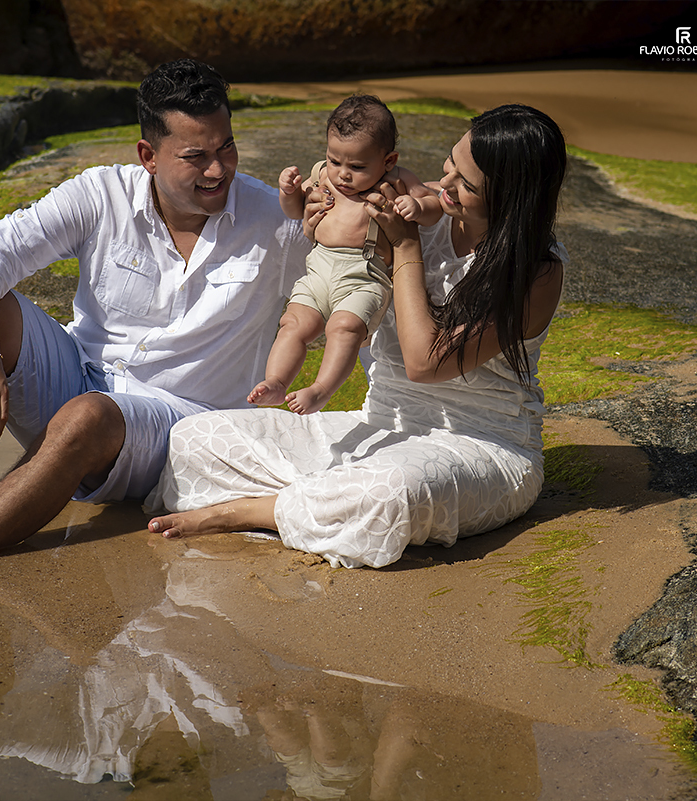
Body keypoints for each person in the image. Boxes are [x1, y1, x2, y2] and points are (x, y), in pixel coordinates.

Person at [0, 59, 309, 589]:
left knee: (87, 415)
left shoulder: (278, 219)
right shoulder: (102, 194)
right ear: (148, 157)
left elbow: (354, 285)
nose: (217, 170)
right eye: (195, 156)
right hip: (81, 377)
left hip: (185, 426)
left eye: (226, 147)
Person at [146, 104, 568, 569]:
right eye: (451, 164)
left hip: (479, 446)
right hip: (382, 424)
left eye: (466, 185)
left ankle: (251, 511)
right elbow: (338, 270)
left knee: (386, 494)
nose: (444, 184)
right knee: (195, 438)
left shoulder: (534, 271)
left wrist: (405, 245)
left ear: (512, 198)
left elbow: (425, 363)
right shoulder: (418, 207)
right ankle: (316, 502)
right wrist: (316, 224)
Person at [248, 95, 440, 415]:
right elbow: (297, 212)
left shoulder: (397, 179)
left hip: (364, 275)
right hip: (319, 266)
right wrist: (289, 191)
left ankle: (321, 390)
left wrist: (418, 207)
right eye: (335, 161)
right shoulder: (322, 173)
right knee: (293, 323)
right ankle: (276, 382)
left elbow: (432, 206)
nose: (343, 175)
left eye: (357, 166)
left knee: (345, 327)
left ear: (388, 161)